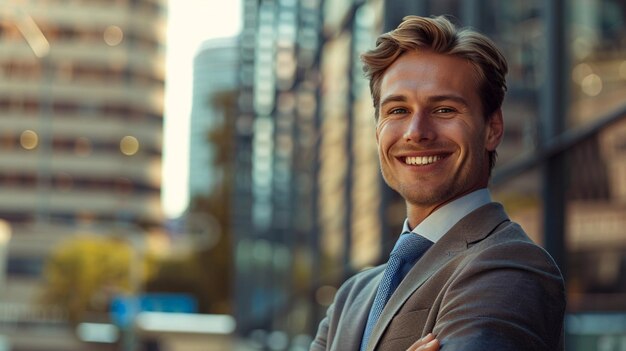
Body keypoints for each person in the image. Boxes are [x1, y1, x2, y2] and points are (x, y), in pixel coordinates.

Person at [310, 15, 566, 351]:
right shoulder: (351, 297)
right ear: (377, 131)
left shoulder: (511, 266)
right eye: (398, 110)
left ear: (492, 129)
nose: (416, 132)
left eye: (444, 109)